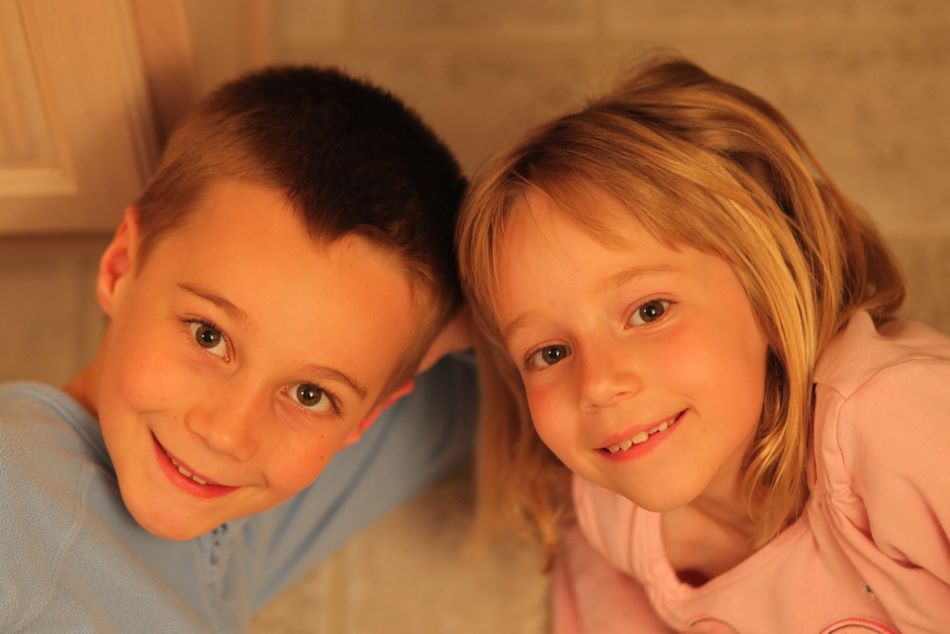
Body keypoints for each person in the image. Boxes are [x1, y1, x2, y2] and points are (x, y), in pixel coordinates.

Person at [456, 56, 950, 632]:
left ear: (767, 285)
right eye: (551, 353)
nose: (598, 384)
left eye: (649, 311)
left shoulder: (892, 419)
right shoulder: (613, 517)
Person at [0, 65, 476, 631]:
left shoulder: (242, 499)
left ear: (366, 418)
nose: (227, 434)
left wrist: (434, 321)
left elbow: (513, 360)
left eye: (309, 393)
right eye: (209, 336)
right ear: (121, 266)